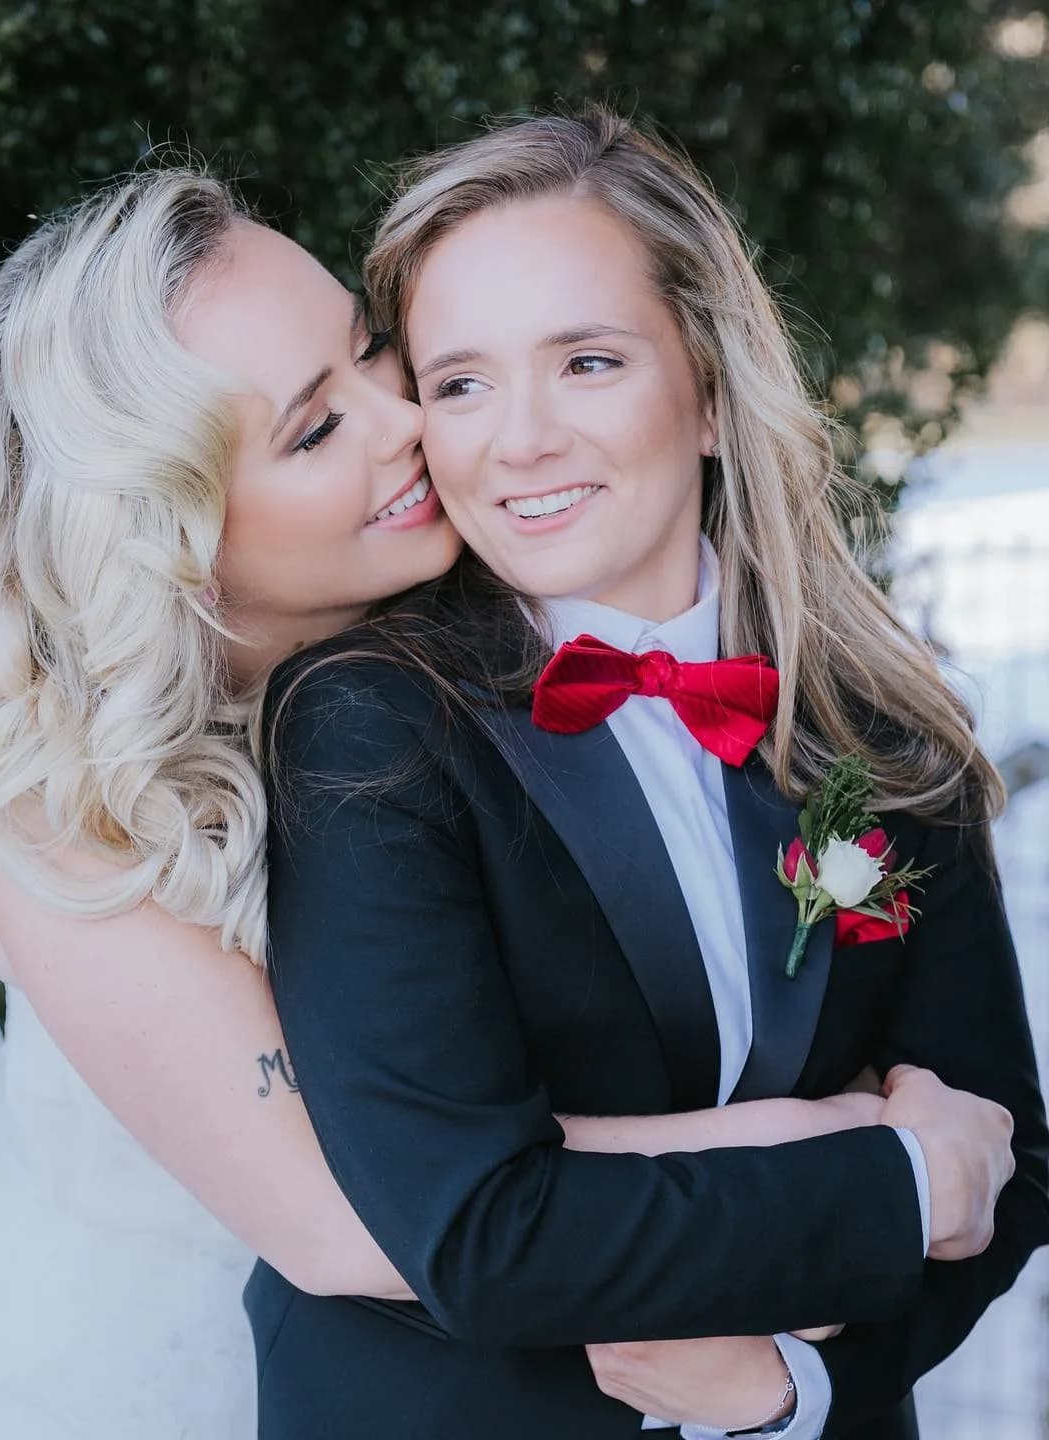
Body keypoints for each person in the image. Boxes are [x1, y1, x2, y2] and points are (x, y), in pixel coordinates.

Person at [0, 158, 1025, 1440]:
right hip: (225, 1361)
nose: (410, 421)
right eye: (311, 431)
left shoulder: (535, 643)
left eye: (370, 355)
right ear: (175, 535)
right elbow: (384, 1215)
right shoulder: (76, 823)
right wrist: (872, 1150)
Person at [251, 108, 1048, 1440]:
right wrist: (901, 1180)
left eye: (588, 361)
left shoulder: (878, 726)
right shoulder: (369, 727)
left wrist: (799, 1387)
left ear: (716, 392)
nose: (520, 439)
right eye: (460, 382)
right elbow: (478, 1227)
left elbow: (1013, 1162)